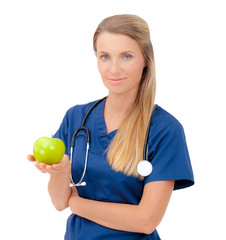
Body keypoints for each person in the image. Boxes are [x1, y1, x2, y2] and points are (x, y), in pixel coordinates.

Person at [28, 14, 194, 240]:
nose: (114, 69)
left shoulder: (165, 129)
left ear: (145, 59)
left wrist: (75, 203)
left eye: (126, 56)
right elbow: (59, 202)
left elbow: (146, 220)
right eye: (105, 57)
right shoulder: (76, 118)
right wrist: (62, 170)